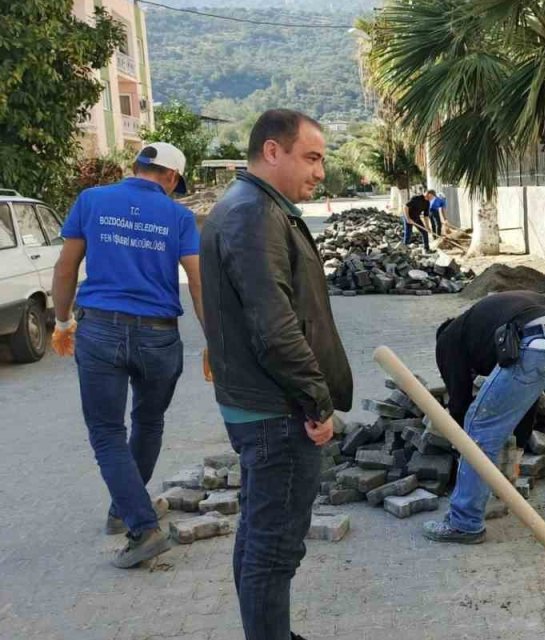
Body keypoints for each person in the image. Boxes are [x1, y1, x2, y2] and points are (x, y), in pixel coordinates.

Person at [200, 109, 353, 640]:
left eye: (322, 160)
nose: (320, 172)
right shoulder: (253, 215)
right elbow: (275, 325)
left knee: (258, 538)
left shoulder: (253, 208)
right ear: (272, 151)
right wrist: (316, 402)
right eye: (311, 157)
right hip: (277, 412)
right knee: (274, 550)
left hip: (260, 405)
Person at [50, 141, 204, 568]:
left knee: (106, 434)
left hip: (99, 331)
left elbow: (65, 269)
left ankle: (139, 523)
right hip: (159, 336)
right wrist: (214, 342)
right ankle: (128, 509)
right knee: (148, 422)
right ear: (171, 178)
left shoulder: (92, 200)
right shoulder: (179, 216)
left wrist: (62, 323)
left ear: (135, 167)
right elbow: (197, 283)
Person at [426, 290, 545, 544]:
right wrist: (519, 446)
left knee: (479, 424)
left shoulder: (449, 340)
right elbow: (525, 399)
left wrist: (460, 448)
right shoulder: (489, 322)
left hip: (538, 342)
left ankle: (464, 522)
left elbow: (458, 403)